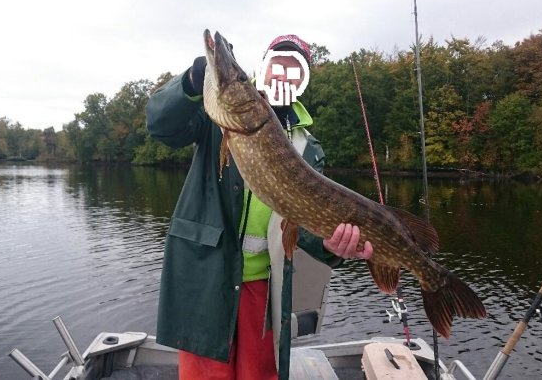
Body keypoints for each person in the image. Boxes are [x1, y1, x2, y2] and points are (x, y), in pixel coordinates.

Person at [145, 34, 374, 380]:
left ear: (303, 81)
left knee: (258, 375)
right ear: (263, 67)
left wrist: (332, 247)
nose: (284, 74)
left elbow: (306, 224)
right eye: (278, 63)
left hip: (266, 285)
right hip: (208, 275)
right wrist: (192, 80)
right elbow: (160, 124)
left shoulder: (308, 147)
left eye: (294, 69)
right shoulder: (217, 116)